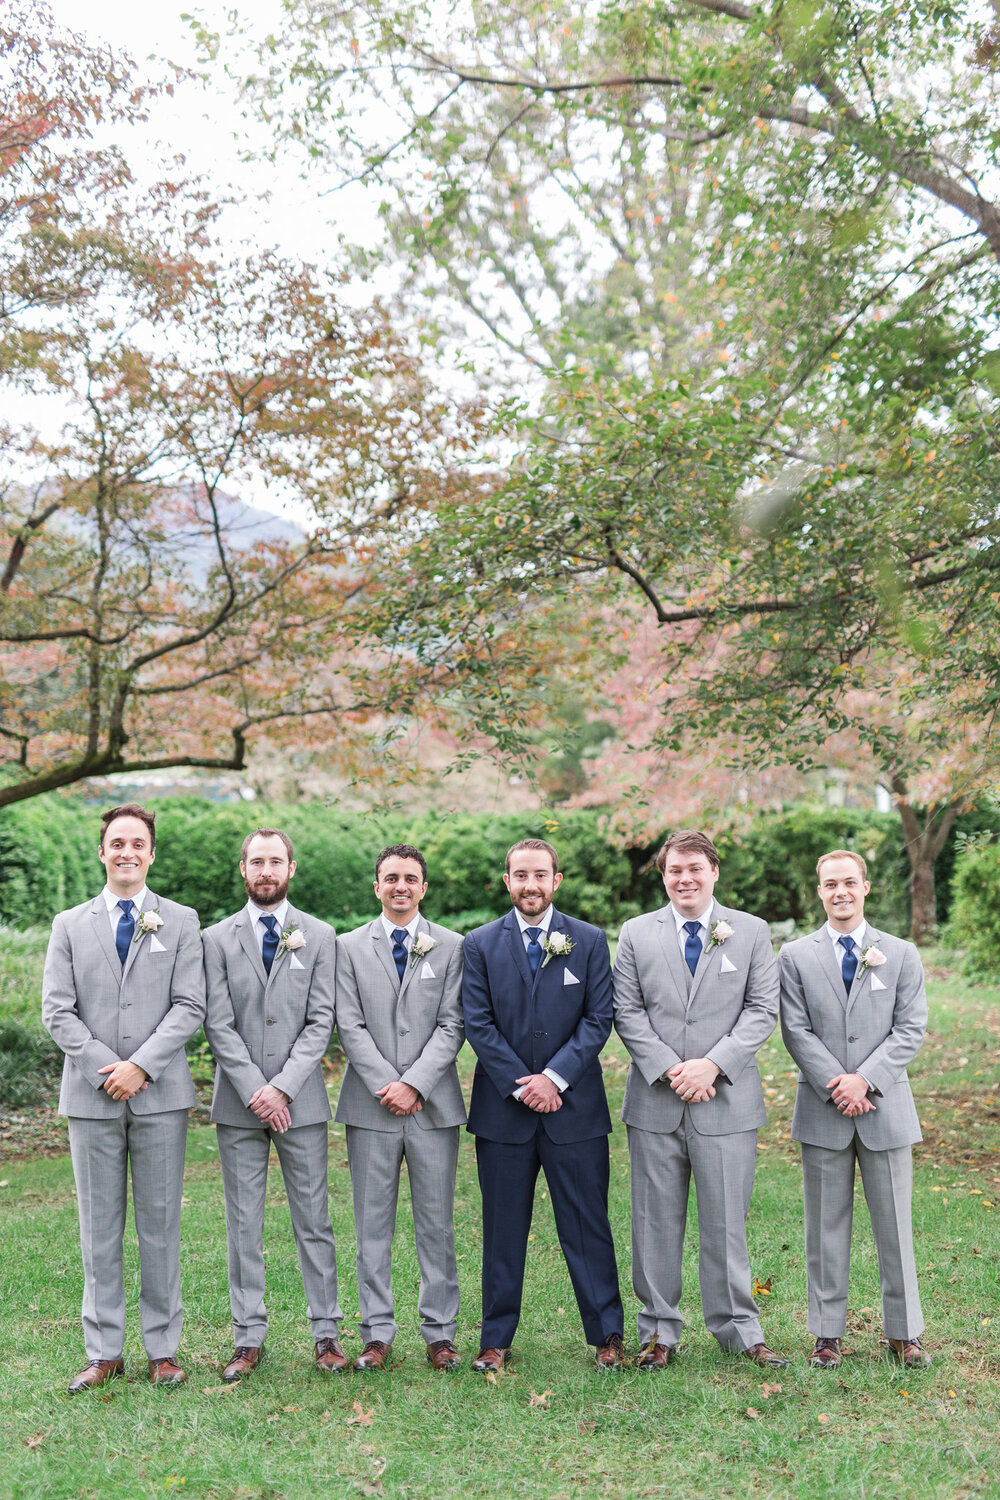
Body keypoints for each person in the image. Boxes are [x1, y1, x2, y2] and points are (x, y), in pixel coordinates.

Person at [41, 803, 206, 1393]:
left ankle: (162, 1348)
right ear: (103, 850)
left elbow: (190, 1005)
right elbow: (56, 1010)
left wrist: (141, 1067)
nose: (127, 852)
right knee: (98, 1228)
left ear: (152, 852)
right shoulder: (69, 924)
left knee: (160, 1225)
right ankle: (103, 1350)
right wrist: (105, 1067)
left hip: (159, 1097)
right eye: (117, 843)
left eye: (138, 843)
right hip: (90, 1099)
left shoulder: (180, 920)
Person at [612, 829, 785, 1369]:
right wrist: (669, 1068)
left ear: (714, 872)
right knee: (654, 1221)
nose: (684, 879)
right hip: (656, 1102)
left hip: (726, 1101)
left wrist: (712, 1065)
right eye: (674, 870)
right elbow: (627, 1010)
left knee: (727, 1220)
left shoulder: (752, 932)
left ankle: (739, 1329)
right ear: (663, 876)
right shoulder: (637, 933)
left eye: (694, 869)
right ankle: (659, 1331)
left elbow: (762, 1009)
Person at [461, 837, 624, 1371]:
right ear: (506, 881)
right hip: (503, 1112)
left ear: (556, 880)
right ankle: (495, 1339)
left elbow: (599, 1018)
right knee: (502, 1228)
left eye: (540, 875)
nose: (530, 885)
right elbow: (477, 1023)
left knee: (587, 1224)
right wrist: (521, 1082)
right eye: (520, 875)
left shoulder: (590, 940)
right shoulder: (481, 944)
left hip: (574, 1111)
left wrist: (554, 1079)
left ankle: (607, 1335)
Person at [779, 849, 930, 1369]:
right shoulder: (795, 955)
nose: (839, 892)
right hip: (824, 1108)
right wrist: (836, 1083)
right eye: (829, 884)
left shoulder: (901, 953)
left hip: (884, 1107)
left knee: (895, 1225)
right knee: (824, 1227)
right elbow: (794, 1029)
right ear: (818, 891)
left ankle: (904, 1332)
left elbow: (910, 1028)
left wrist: (864, 1080)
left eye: (849, 882)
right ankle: (826, 1334)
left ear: (865, 887)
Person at [203, 828, 343, 1380]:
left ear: (292, 868)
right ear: (243, 869)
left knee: (314, 1219)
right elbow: (216, 1021)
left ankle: (327, 1333)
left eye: (275, 861)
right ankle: (247, 1337)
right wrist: (254, 1089)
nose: (266, 871)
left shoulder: (321, 935)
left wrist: (281, 1087)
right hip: (238, 1105)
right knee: (244, 1222)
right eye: (256, 862)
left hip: (300, 1101)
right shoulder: (215, 938)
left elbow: (321, 1020)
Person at [335, 844, 466, 1372]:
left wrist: (413, 1084)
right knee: (372, 1224)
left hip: (433, 1107)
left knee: (436, 1224)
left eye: (411, 878)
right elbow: (349, 1023)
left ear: (424, 887)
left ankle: (439, 1333)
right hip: (370, 1107)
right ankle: (376, 1333)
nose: (400, 887)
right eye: (391, 878)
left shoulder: (452, 947)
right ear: (376, 886)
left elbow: (453, 1024)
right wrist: (386, 1083)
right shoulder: (347, 947)